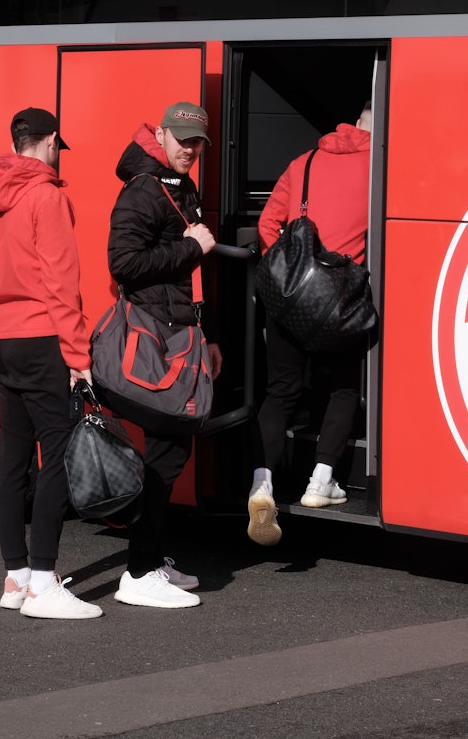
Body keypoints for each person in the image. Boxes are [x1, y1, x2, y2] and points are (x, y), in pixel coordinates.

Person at [0, 107, 101, 619]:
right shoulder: (48, 197)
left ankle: (16, 577)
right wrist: (78, 355)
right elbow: (61, 283)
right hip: (43, 337)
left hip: (3, 339)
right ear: (49, 142)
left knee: (13, 457)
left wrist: (1, 321)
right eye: (57, 147)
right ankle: (44, 582)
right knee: (58, 455)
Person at [107, 101, 222, 608]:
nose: (190, 149)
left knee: (172, 448)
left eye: (197, 142)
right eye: (181, 139)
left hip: (179, 333)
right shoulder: (142, 190)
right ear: (160, 135)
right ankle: (137, 573)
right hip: (154, 334)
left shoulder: (180, 186)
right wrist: (190, 247)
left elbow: (190, 274)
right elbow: (123, 263)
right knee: (169, 449)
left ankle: (150, 560)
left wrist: (209, 335)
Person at [247, 102, 373, 546]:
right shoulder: (381, 167)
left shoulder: (305, 161)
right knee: (342, 387)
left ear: (354, 121)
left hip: (291, 297)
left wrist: (291, 269)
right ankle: (321, 481)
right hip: (338, 301)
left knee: (281, 390)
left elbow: (268, 224)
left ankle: (262, 484)